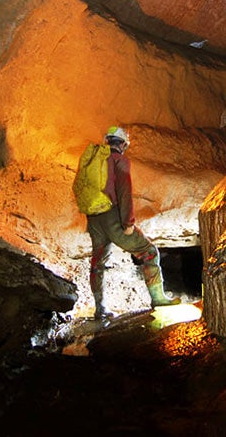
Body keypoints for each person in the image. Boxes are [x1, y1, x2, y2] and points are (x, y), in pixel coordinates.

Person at [86, 125, 180, 319]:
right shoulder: (119, 161)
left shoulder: (95, 162)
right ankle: (158, 298)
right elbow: (124, 192)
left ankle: (100, 308)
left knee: (98, 263)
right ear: (121, 144)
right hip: (113, 216)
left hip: (94, 218)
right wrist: (128, 223)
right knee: (149, 252)